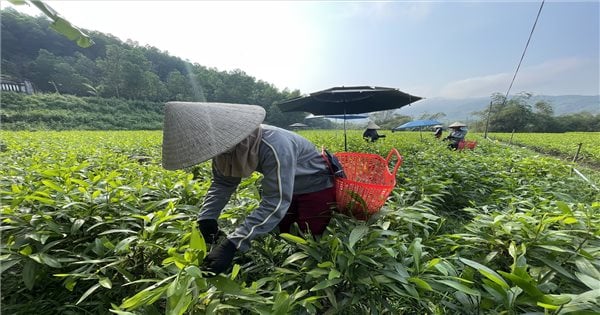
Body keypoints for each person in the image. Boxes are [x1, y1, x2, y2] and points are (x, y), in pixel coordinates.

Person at [161, 102, 337, 275]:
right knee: (285, 233)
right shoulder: (225, 151)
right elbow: (223, 183)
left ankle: (312, 280)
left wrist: (233, 244)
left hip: (316, 187)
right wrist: (207, 217)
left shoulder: (275, 144)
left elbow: (275, 201)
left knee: (310, 239)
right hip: (284, 185)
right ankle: (289, 273)